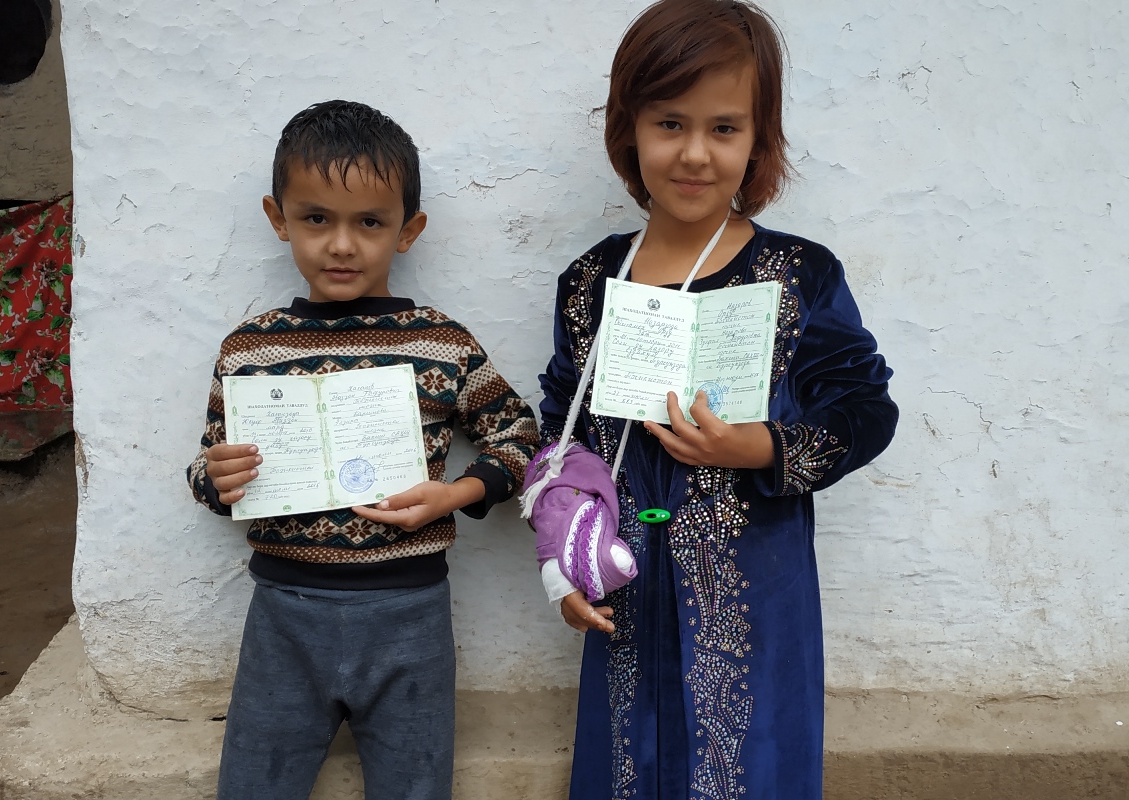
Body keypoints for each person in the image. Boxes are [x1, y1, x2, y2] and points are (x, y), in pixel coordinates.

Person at [536, 2, 898, 798]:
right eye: (670, 123)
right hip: (624, 596)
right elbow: (562, 437)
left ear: (758, 139)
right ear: (629, 129)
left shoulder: (797, 276)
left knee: (752, 770)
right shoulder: (594, 283)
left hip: (754, 601)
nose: (695, 153)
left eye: (724, 128)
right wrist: (569, 564)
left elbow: (866, 409)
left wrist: (759, 447)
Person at [185, 100, 539, 800]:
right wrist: (215, 477)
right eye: (316, 218)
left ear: (408, 231)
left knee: (415, 786)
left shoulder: (441, 344)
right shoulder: (249, 350)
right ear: (278, 218)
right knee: (253, 786)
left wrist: (458, 493)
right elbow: (208, 466)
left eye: (369, 222)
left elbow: (520, 436)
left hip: (410, 615)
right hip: (284, 614)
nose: (341, 245)